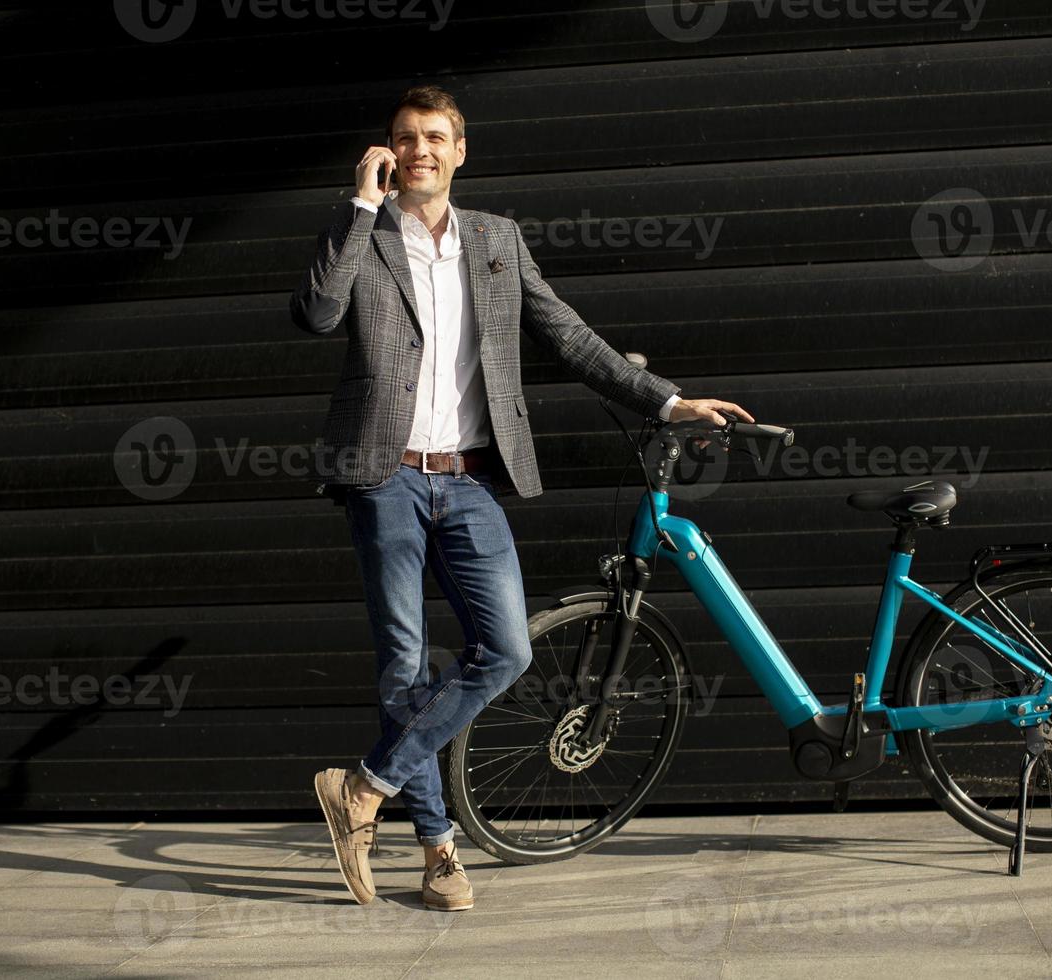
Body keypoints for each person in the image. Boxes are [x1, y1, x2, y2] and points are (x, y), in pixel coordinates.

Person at [290, 84, 751, 911]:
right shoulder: (363, 230)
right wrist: (359, 205)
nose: (420, 149)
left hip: (468, 477)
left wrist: (668, 401)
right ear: (387, 152)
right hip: (383, 473)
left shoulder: (497, 241)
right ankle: (439, 855)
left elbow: (566, 333)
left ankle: (363, 786)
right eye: (405, 138)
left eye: (436, 137)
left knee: (506, 651)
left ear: (461, 151)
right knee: (403, 664)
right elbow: (317, 313)